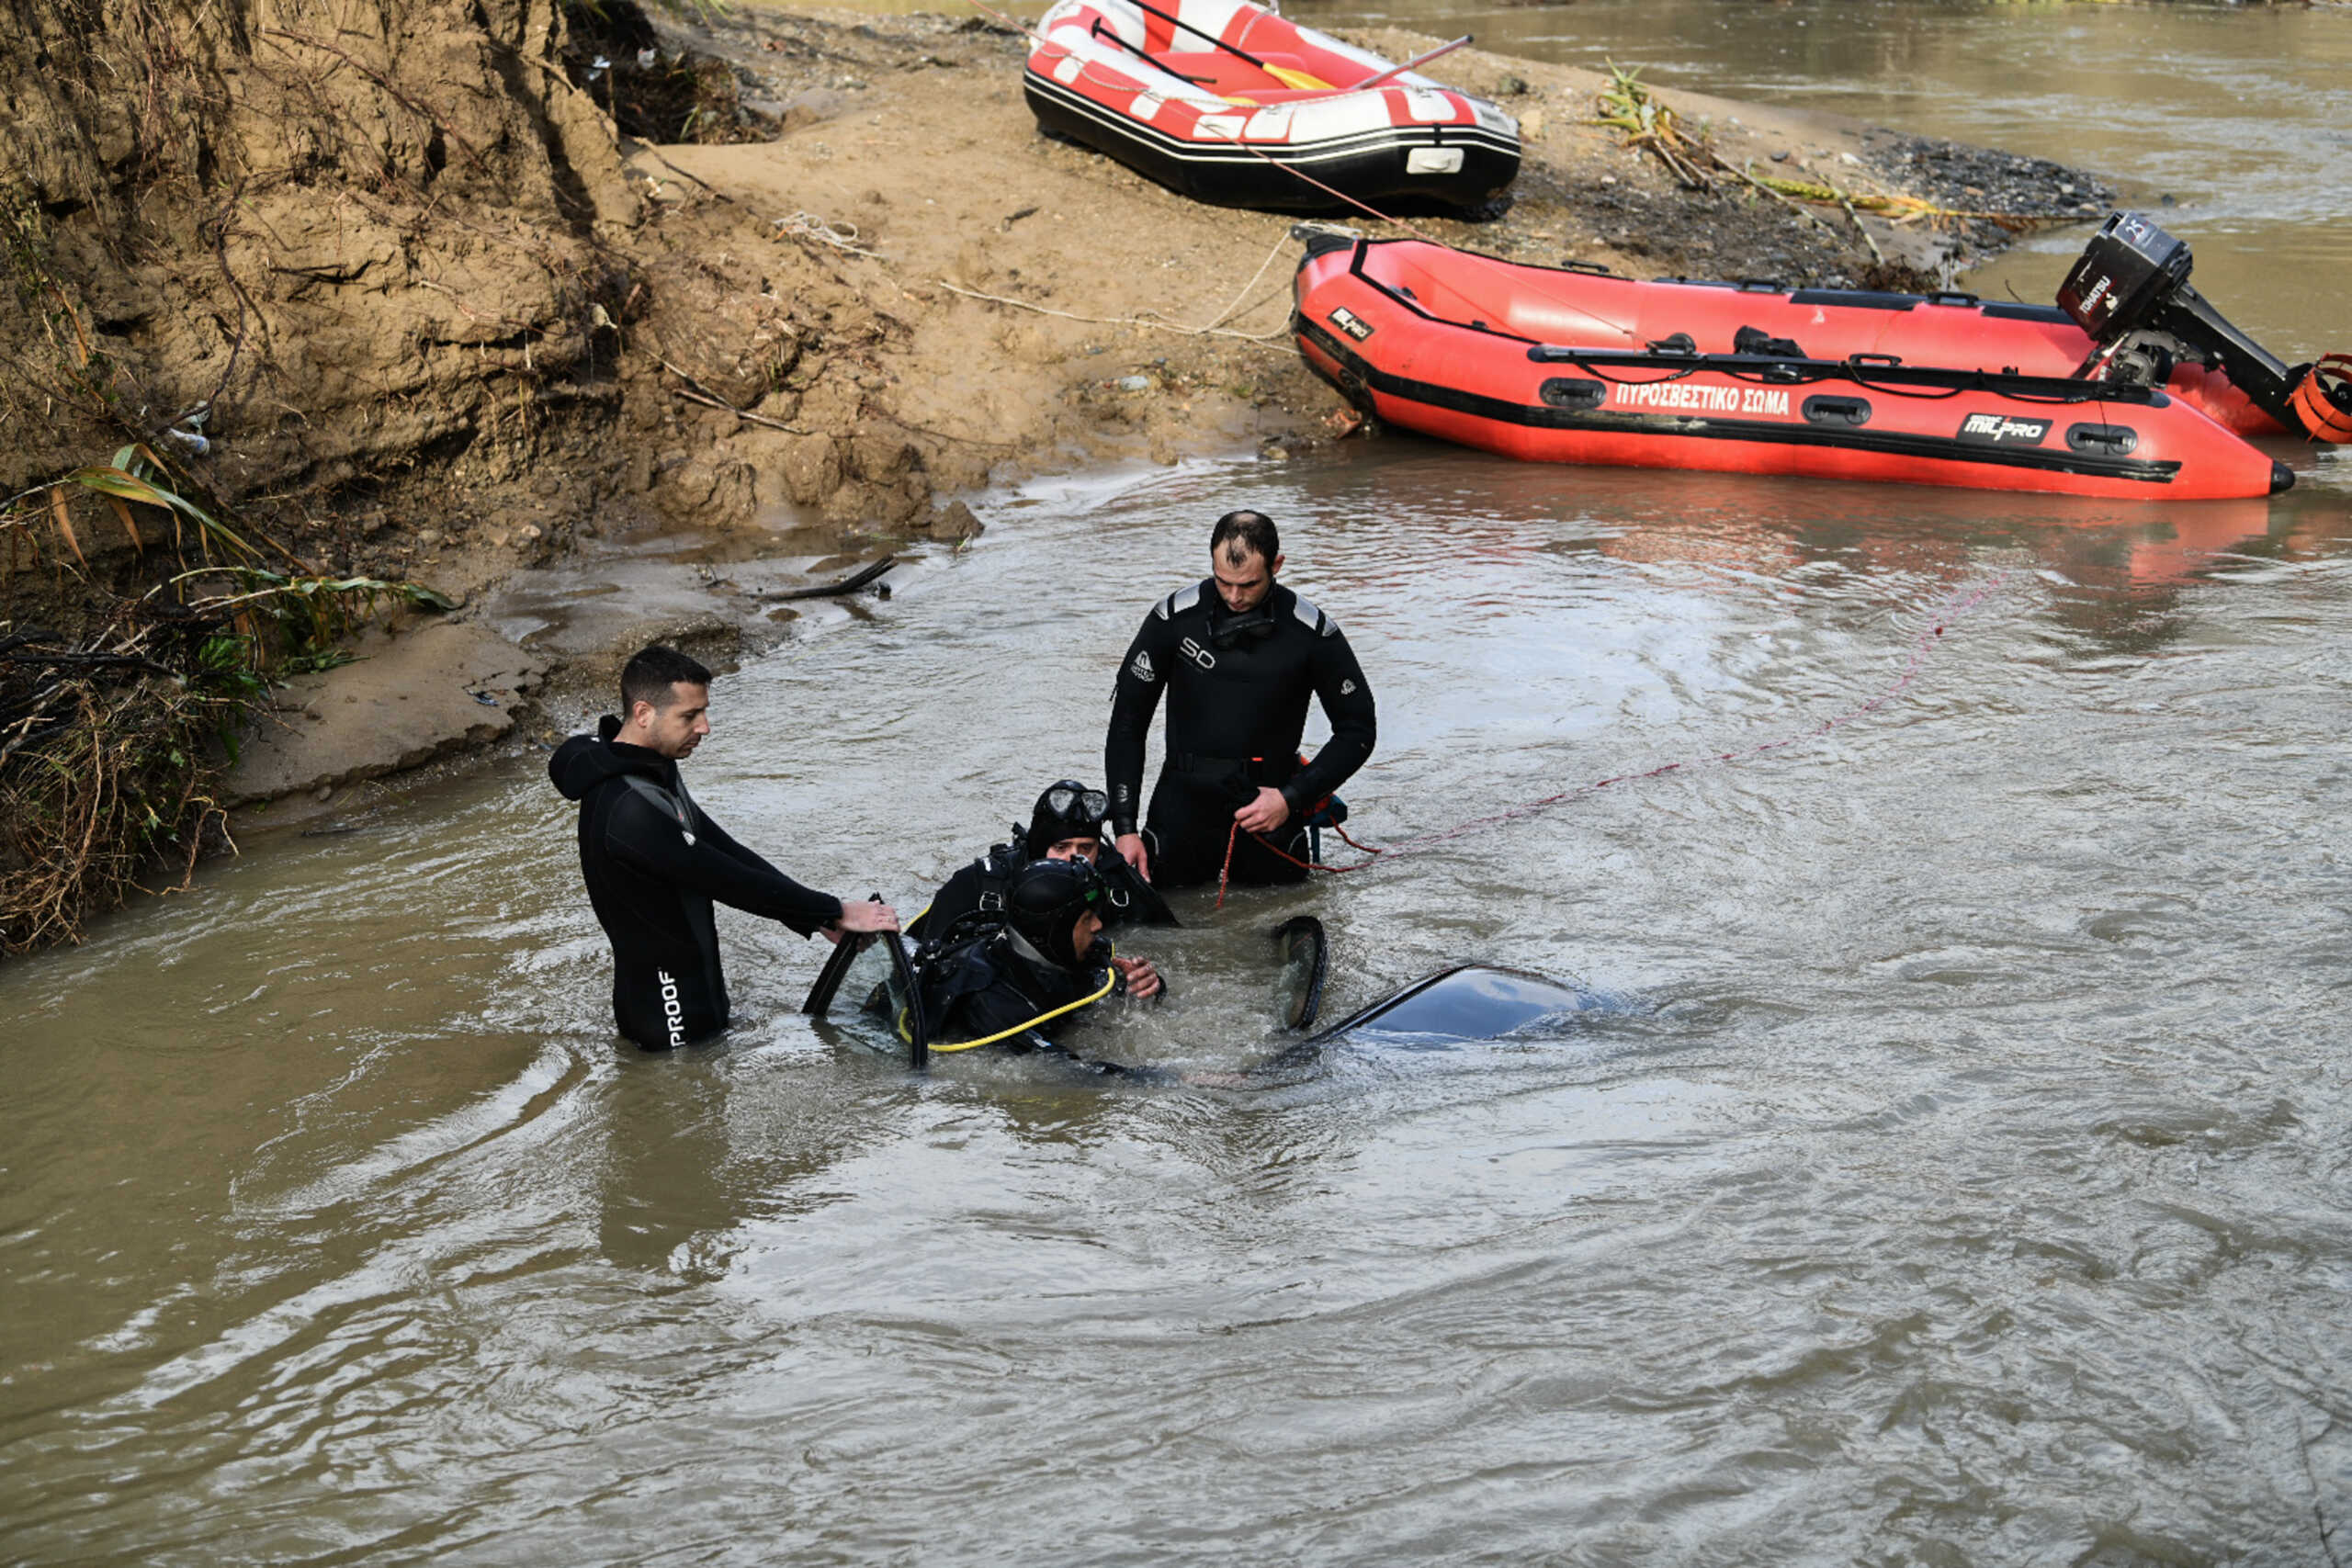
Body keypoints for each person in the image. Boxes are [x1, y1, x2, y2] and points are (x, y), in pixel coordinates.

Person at [549, 644, 898, 1050]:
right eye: (689, 716)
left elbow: (723, 848)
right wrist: (834, 909)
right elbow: (726, 879)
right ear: (644, 714)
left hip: (691, 997)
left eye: (704, 712)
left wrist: (816, 918)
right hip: (669, 1022)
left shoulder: (648, 771)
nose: (705, 727)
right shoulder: (630, 810)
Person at [1105, 510, 1377, 888]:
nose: (1234, 596)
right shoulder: (1173, 621)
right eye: (1223, 582)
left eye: (1249, 585)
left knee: (1274, 919)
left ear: (1276, 565)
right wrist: (1124, 828)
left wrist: (1290, 798)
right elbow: (1127, 725)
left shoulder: (1311, 633)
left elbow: (1358, 731)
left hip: (1271, 810)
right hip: (1182, 805)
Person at [906, 857, 1161, 1074]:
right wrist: (1169, 1079)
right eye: (1086, 919)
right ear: (1054, 930)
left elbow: (1120, 993)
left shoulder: (1067, 953)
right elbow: (1063, 1071)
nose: (1097, 926)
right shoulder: (989, 1003)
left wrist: (1148, 986)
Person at [907, 778, 1174, 945]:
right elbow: (918, 954)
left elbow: (1172, 938)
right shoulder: (983, 884)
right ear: (1038, 847)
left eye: (1086, 847)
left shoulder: (1116, 883)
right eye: (1061, 847)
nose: (1075, 858)